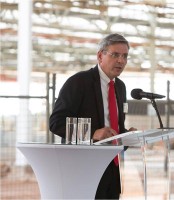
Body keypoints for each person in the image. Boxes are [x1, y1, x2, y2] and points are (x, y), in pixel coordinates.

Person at [49, 33, 136, 199]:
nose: (121, 61)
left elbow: (113, 127)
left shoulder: (120, 87)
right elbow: (56, 123)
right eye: (115, 55)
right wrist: (92, 134)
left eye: (125, 56)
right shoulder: (78, 82)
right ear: (100, 55)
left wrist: (127, 136)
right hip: (83, 169)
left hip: (112, 167)